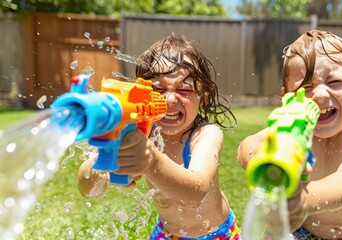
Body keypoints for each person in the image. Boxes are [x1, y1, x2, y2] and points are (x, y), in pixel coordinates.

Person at [78, 33, 240, 239]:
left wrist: (150, 162)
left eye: (184, 88)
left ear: (204, 99)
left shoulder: (205, 134)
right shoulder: (141, 131)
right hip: (167, 233)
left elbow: (196, 192)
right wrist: (101, 166)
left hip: (217, 234)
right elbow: (87, 190)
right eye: (157, 88)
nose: (170, 98)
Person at [237, 30, 342, 239]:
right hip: (301, 231)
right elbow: (246, 145)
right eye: (306, 87)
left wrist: (304, 201)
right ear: (288, 97)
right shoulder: (294, 130)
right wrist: (260, 154)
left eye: (334, 82)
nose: (319, 95)